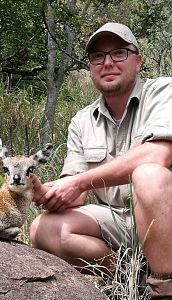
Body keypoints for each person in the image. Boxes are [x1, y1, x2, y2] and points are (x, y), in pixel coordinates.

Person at [30, 22, 172, 299]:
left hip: (168, 218)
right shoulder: (82, 120)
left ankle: (165, 289)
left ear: (137, 60)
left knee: (148, 175)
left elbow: (159, 154)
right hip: (121, 221)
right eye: (98, 56)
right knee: (43, 229)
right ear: (91, 67)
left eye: (118, 53)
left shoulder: (164, 91)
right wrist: (48, 192)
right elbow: (76, 191)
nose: (107, 62)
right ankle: (133, 279)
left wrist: (80, 182)